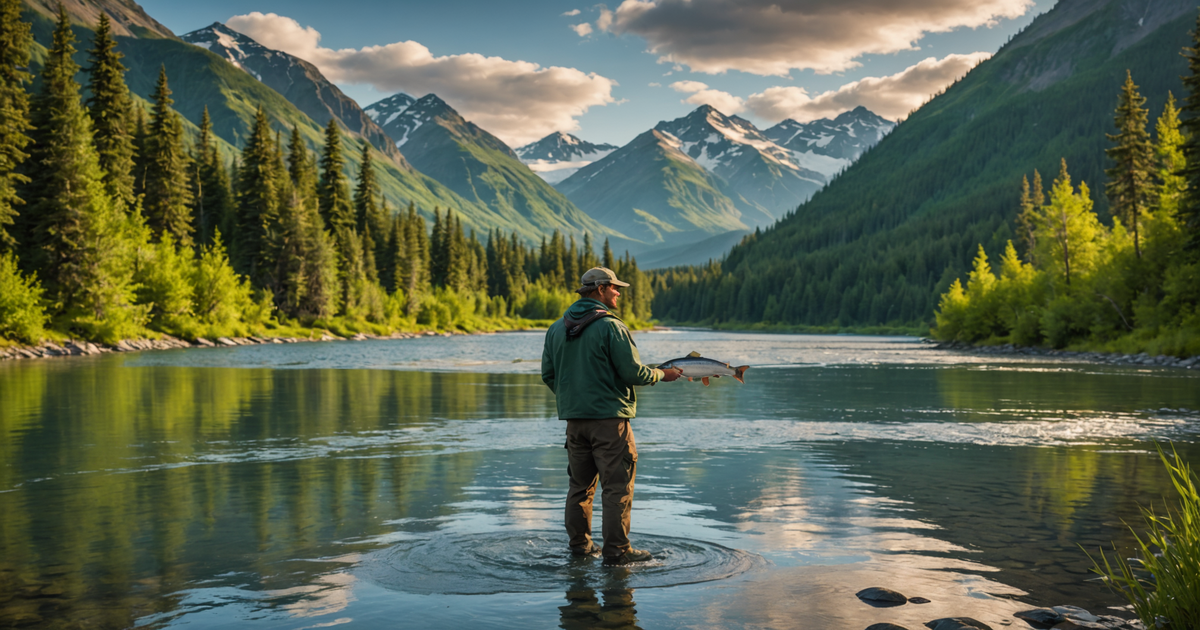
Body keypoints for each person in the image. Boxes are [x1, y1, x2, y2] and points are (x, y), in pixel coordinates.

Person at [541, 267, 682, 566]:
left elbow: (548, 375)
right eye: (615, 288)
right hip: (610, 424)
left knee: (580, 488)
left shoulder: (556, 328)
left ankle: (580, 547)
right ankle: (617, 551)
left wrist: (575, 400)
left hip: (574, 424)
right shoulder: (611, 327)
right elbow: (633, 373)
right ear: (601, 289)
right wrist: (663, 374)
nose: (619, 292)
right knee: (617, 487)